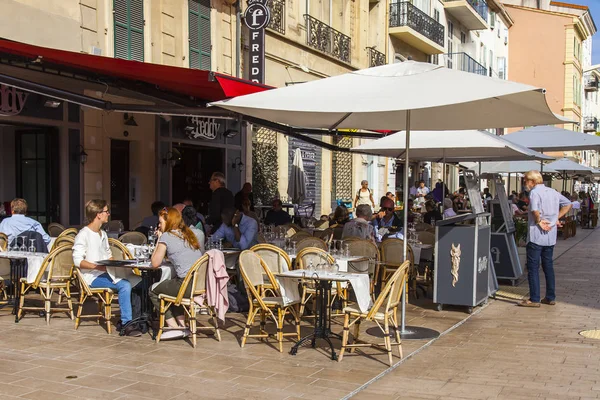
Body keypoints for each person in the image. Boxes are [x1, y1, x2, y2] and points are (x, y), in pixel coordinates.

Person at [72, 200, 140, 336]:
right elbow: (78, 261)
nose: (108, 214)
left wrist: (119, 264)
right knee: (125, 285)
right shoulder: (83, 234)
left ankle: (139, 319)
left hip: (106, 272)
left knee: (138, 280)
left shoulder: (102, 234)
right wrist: (97, 267)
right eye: (106, 211)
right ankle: (127, 323)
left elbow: (108, 256)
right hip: (92, 276)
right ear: (98, 214)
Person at [149, 207, 205, 339]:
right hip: (198, 284)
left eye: (160, 223)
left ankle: (173, 326)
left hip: (186, 285)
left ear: (168, 223)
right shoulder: (188, 234)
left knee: (152, 290)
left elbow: (155, 263)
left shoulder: (167, 236)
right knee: (172, 288)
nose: (159, 225)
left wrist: (159, 239)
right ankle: (182, 325)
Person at [519, 170, 571, 308]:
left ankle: (534, 298)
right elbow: (568, 204)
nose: (525, 184)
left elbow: (535, 210)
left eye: (525, 181)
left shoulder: (534, 192)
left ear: (532, 181)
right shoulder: (553, 192)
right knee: (548, 266)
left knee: (533, 267)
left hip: (536, 234)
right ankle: (550, 296)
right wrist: (556, 219)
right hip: (550, 236)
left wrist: (538, 221)